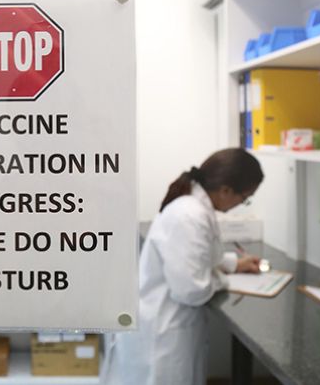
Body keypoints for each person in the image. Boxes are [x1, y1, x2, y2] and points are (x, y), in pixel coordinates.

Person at [113, 148, 264, 385]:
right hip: (163, 331)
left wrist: (234, 264)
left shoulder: (195, 206)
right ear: (225, 190)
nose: (241, 203)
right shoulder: (189, 215)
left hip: (168, 324)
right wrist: (224, 280)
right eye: (245, 198)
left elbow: (194, 257)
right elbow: (192, 290)